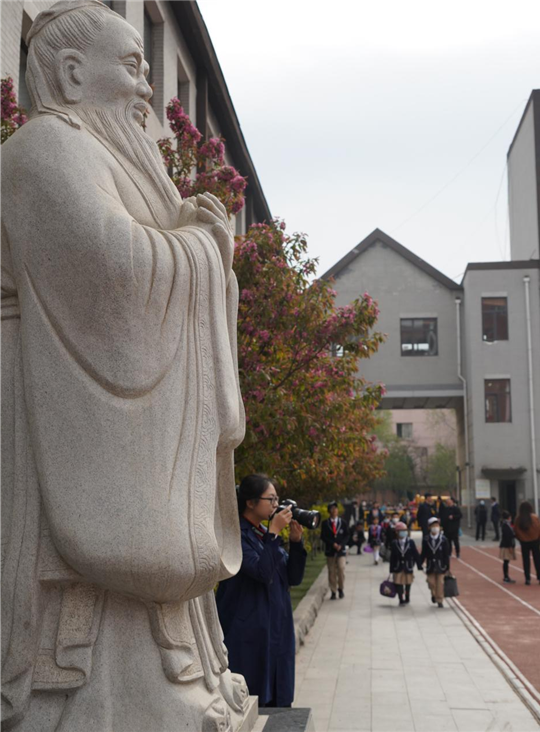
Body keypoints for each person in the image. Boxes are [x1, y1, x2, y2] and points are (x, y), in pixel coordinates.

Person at [1, 2, 248, 728]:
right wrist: (203, 248)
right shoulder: (45, 150)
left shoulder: (104, 154)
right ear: (73, 73)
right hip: (48, 404)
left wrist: (194, 238)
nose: (148, 91)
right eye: (135, 67)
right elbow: (113, 274)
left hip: (92, 418)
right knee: (83, 638)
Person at [216, 475, 307, 708]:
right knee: (255, 699)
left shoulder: (262, 535)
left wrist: (296, 544)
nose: (277, 506)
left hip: (276, 628)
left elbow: (293, 578)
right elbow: (262, 573)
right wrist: (274, 534)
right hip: (249, 634)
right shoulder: (236, 536)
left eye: (277, 500)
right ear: (250, 502)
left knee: (279, 697)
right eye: (271, 499)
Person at [513, 501, 540, 585]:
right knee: (538, 560)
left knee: (526, 560)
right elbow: (539, 529)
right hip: (535, 541)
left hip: (524, 542)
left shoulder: (518, 518)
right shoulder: (535, 518)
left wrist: (520, 538)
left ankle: (527, 579)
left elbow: (515, 530)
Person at [421, 517, 450, 608]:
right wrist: (420, 563)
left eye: (437, 525)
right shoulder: (426, 539)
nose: (435, 527)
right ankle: (433, 594)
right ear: (429, 527)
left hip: (440, 565)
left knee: (440, 583)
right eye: (433, 526)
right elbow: (424, 553)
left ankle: (439, 599)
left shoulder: (444, 539)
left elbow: (446, 554)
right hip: (430, 565)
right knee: (431, 582)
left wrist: (447, 566)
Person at [321, 502, 349, 599]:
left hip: (341, 551)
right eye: (332, 509)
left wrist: (341, 545)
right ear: (329, 511)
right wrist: (332, 543)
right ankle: (333, 591)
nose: (334, 511)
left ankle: (341, 589)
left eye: (335, 509)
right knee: (331, 571)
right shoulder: (325, 523)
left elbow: (347, 535)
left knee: (341, 569)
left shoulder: (343, 523)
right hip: (330, 551)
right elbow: (323, 536)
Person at [390, 522, 422, 605]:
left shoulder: (410, 542)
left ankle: (407, 596)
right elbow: (392, 557)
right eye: (401, 530)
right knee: (398, 583)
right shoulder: (394, 543)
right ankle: (401, 598)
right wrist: (391, 569)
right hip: (398, 566)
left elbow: (415, 554)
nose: (403, 532)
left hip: (408, 566)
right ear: (397, 532)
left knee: (408, 582)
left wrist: (419, 565)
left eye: (405, 530)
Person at [499, 510, 516, 584]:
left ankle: (506, 576)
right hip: (506, 545)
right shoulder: (505, 525)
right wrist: (510, 546)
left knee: (506, 561)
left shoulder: (507, 524)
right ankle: (506, 577)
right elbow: (507, 536)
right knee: (506, 561)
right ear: (509, 517)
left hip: (507, 544)